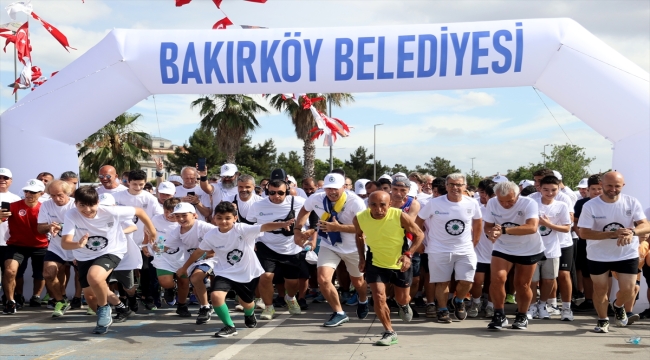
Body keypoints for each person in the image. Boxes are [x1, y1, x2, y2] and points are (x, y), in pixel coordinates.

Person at [183, 202, 296, 337]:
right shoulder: (210, 235)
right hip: (224, 272)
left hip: (246, 272)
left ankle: (249, 313)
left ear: (235, 218)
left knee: (247, 303)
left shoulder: (242, 229)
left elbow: (264, 227)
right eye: (219, 218)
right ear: (214, 218)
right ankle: (229, 326)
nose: (223, 221)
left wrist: (282, 224)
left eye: (227, 218)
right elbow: (198, 252)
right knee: (216, 295)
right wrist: (184, 267)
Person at [60, 186, 156, 334]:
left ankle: (105, 308)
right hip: (84, 256)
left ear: (98, 202)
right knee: (91, 297)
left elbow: (140, 211)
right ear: (75, 204)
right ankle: (113, 312)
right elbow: (65, 243)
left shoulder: (110, 211)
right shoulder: (71, 215)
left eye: (91, 205)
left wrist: (152, 230)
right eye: (82, 205)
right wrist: (78, 244)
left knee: (95, 276)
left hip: (112, 251)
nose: (87, 210)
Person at [577, 171, 649, 333]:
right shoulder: (590, 205)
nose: (613, 189)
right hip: (598, 255)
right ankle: (602, 320)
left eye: (617, 186)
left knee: (630, 290)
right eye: (609, 185)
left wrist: (632, 232)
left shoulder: (631, 202)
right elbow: (584, 233)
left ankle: (617, 306)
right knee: (600, 289)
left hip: (626, 253)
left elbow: (646, 225)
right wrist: (613, 234)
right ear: (602, 184)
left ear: (622, 186)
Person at [295, 173, 369, 327]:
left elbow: (364, 229)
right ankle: (339, 312)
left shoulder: (356, 203)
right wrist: (297, 230)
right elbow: (304, 210)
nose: (332, 192)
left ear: (344, 187)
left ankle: (363, 299)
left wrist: (338, 227)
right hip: (329, 244)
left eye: (335, 189)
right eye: (328, 188)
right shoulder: (316, 198)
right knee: (323, 279)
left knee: (358, 282)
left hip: (353, 247)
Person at [354, 191, 424, 346]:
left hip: (399, 262)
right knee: (379, 296)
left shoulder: (399, 215)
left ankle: (404, 305)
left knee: (402, 298)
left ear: (390, 204)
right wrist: (362, 258)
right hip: (376, 262)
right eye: (374, 205)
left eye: (382, 205)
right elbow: (359, 236)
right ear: (368, 205)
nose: (378, 209)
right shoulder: (360, 218)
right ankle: (389, 331)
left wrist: (408, 255)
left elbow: (419, 235)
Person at [416, 173, 482, 323]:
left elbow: (478, 223)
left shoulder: (472, 203)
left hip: (465, 248)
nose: (455, 188)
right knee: (442, 282)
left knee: (467, 281)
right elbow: (418, 222)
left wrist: (475, 241)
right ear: (446, 186)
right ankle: (443, 309)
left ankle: (458, 301)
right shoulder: (434, 203)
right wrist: (419, 242)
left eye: (459, 185)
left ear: (465, 186)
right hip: (438, 249)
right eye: (451, 184)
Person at [484, 181, 544, 330]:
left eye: (510, 201)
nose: (505, 205)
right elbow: (488, 226)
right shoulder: (492, 202)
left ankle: (522, 315)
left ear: (517, 195)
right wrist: (491, 233)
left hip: (528, 248)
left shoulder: (529, 203)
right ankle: (499, 314)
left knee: (522, 284)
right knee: (497, 279)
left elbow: (532, 227)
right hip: (503, 247)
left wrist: (503, 231)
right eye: (501, 201)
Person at [246, 177, 306, 320]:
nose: (276, 196)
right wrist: (250, 242)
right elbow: (249, 225)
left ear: (288, 192)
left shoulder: (298, 202)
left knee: (292, 282)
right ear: (267, 191)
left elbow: (312, 212)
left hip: (291, 247)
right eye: (272, 193)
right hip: (266, 244)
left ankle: (290, 298)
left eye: (280, 193)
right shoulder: (258, 205)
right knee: (266, 276)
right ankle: (268, 306)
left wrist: (308, 234)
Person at [113, 170, 164, 310]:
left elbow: (158, 217)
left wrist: (152, 235)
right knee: (124, 271)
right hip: (122, 241)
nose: (138, 187)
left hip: (143, 242)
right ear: (128, 182)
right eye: (134, 184)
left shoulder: (149, 198)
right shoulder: (116, 197)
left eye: (141, 184)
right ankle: (127, 298)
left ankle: (147, 296)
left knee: (146, 270)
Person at [527, 176, 572, 321]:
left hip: (552, 249)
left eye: (554, 190)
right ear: (539, 188)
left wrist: (548, 224)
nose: (550, 193)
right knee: (532, 281)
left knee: (549, 280)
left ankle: (542, 305)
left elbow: (566, 228)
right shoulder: (531, 203)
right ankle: (532, 306)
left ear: (559, 189)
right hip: (532, 249)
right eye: (546, 189)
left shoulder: (561, 206)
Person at [1, 180, 48, 314]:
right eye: (26, 191)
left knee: (40, 274)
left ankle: (36, 297)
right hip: (17, 245)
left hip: (40, 245)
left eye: (32, 192)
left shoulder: (44, 208)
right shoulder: (12, 206)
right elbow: (1, 220)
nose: (28, 194)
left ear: (41, 193)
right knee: (10, 271)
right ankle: (12, 301)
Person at [173, 202, 218, 325]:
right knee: (196, 283)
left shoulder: (204, 227)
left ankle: (205, 307)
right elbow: (167, 246)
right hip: (194, 260)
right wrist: (157, 248)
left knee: (196, 277)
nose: (181, 219)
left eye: (184, 215)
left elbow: (221, 235)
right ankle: (206, 306)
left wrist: (213, 250)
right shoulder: (177, 231)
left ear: (194, 215)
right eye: (177, 216)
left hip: (213, 259)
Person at [37, 180, 76, 317]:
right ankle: (61, 301)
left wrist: (62, 226)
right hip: (56, 246)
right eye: (52, 195)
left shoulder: (76, 204)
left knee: (85, 276)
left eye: (59, 195)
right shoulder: (46, 205)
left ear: (67, 193)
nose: (56, 199)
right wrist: (49, 227)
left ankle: (92, 302)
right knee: (48, 273)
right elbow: (40, 228)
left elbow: (85, 226)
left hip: (76, 246)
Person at [150, 197, 191, 317]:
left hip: (182, 255)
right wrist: (146, 245)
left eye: (172, 212)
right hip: (162, 253)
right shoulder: (156, 219)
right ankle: (169, 289)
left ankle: (182, 305)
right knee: (165, 281)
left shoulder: (186, 222)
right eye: (166, 211)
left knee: (183, 282)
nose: (169, 215)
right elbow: (148, 231)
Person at [573, 174, 602, 312]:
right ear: (588, 189)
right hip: (585, 242)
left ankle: (604, 302)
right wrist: (581, 235)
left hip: (605, 243)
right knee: (586, 272)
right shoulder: (581, 203)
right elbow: (576, 221)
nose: (597, 191)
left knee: (605, 274)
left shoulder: (610, 203)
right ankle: (589, 299)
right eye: (594, 189)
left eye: (600, 188)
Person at [469, 179, 496, 318]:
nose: (484, 197)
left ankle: (491, 306)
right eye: (483, 193)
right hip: (479, 252)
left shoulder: (502, 211)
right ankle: (476, 302)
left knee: (493, 282)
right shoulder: (478, 209)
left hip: (497, 253)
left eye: (488, 195)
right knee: (477, 280)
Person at [0, 168, 21, 307]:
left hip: (9, 243)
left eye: (5, 178)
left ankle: (10, 301)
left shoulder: (16, 199)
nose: (2, 180)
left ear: (11, 181)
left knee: (10, 274)